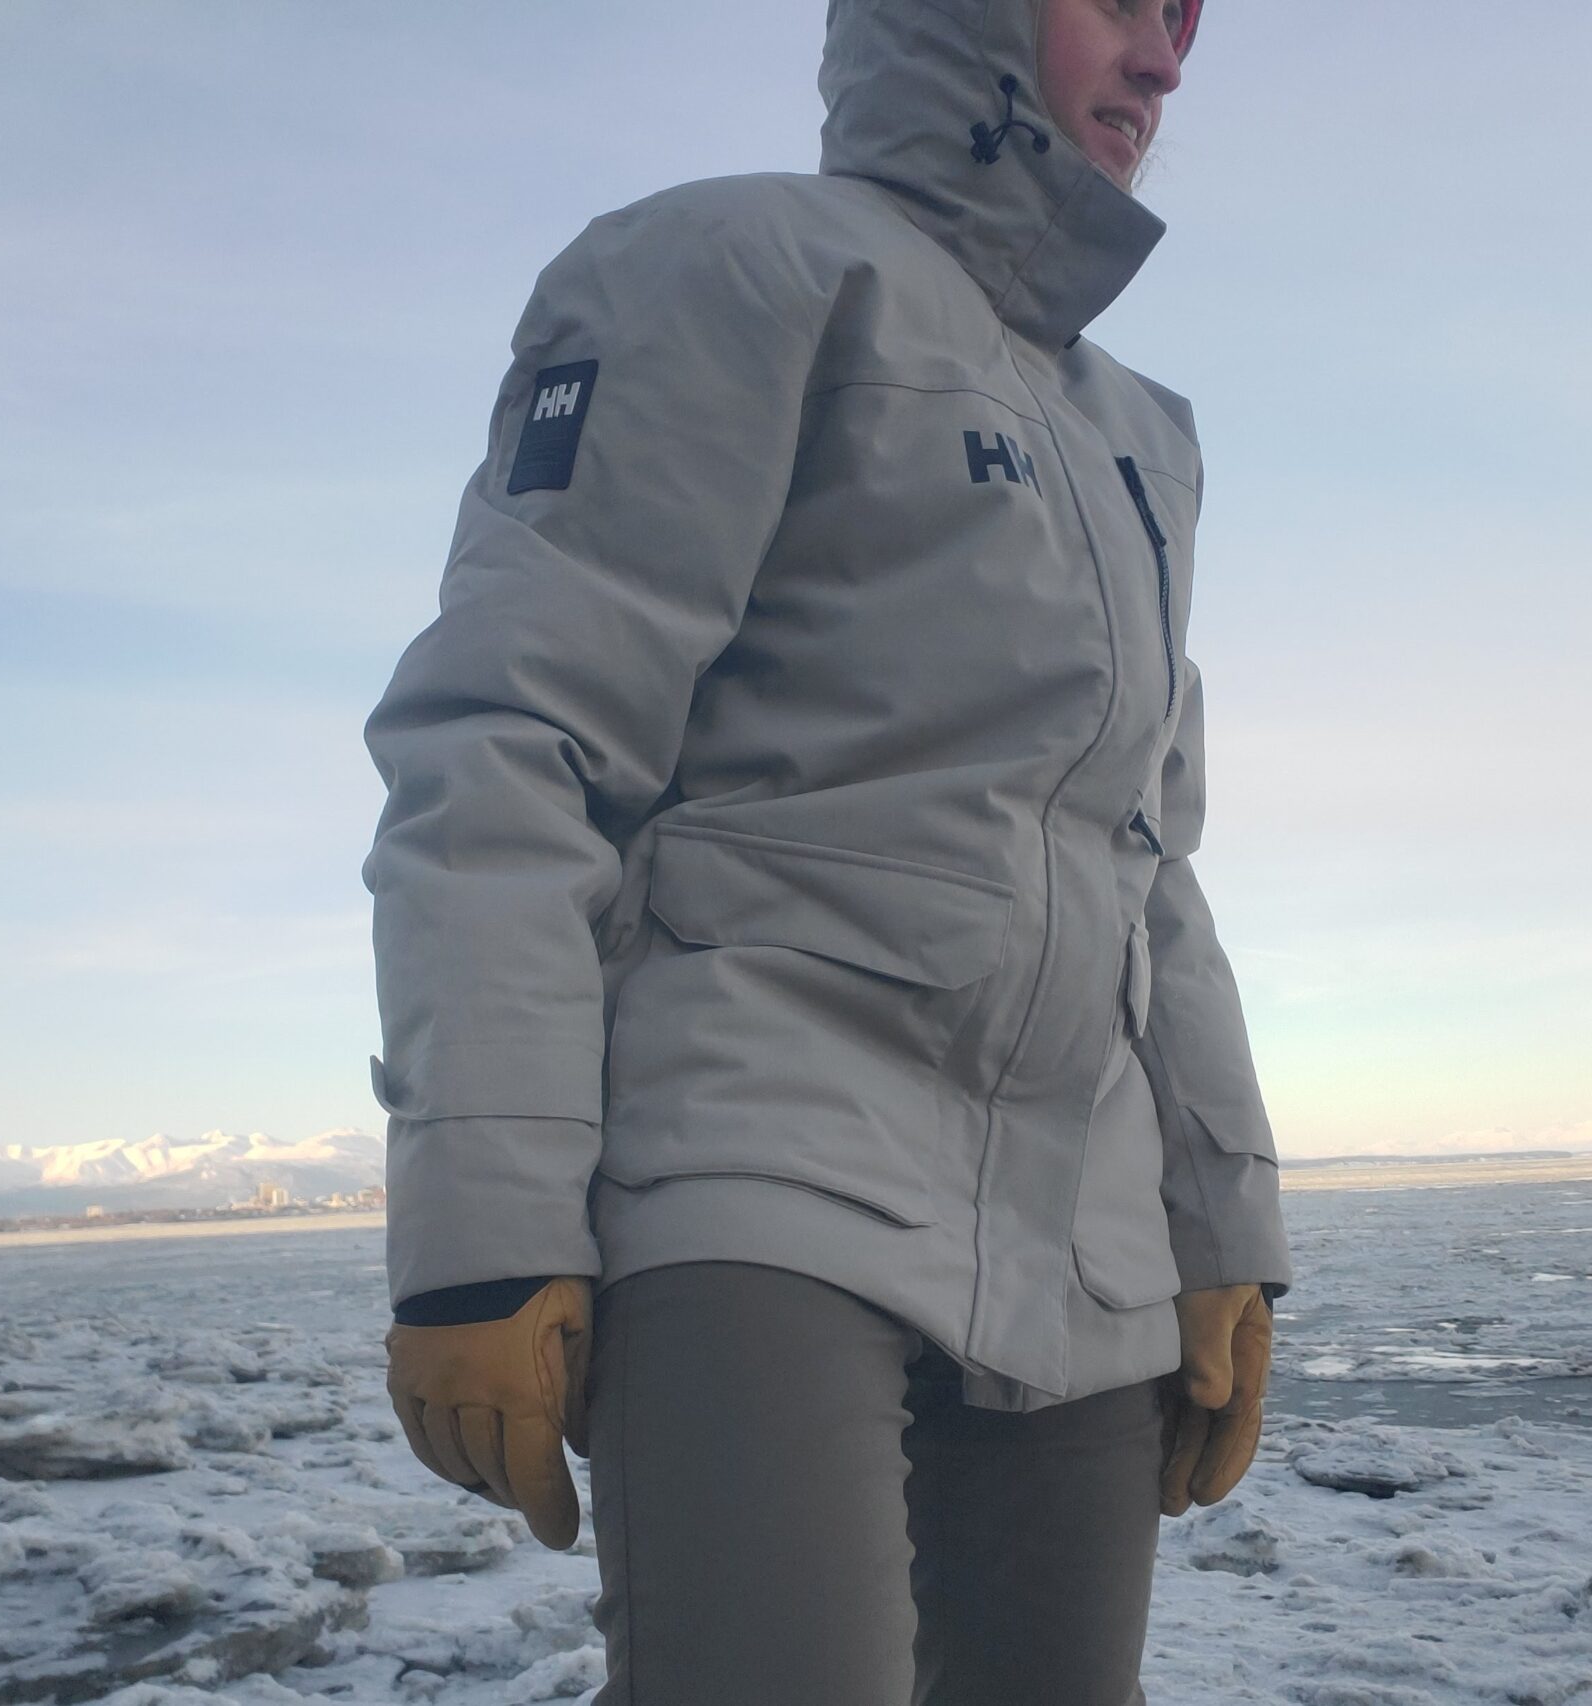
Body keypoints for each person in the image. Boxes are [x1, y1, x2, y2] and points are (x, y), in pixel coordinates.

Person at [360, 0, 1290, 1697]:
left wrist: (1225, 1228)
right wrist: (486, 1224)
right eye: (1115, 1)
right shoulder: (731, 269)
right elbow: (510, 740)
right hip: (759, 1178)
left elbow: (1150, 860)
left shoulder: (1139, 439)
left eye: (1186, 15)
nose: (1164, 59)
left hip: (1081, 1238)